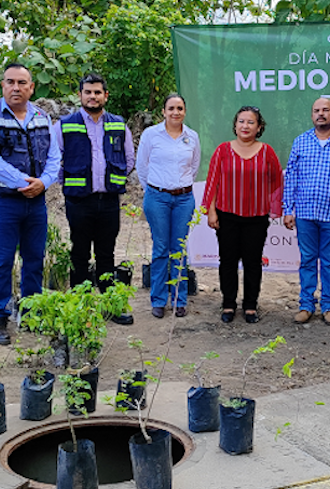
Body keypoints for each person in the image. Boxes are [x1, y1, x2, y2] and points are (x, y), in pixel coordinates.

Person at [0, 63, 61, 345]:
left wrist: (44, 183)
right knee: (2, 261)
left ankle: (31, 312)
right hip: (3, 201)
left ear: (32, 87)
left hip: (36, 203)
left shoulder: (41, 117)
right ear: (3, 85)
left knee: (34, 259)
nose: (16, 88)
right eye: (10, 82)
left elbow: (54, 157)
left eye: (22, 83)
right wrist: (25, 181)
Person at [54, 73, 136, 325]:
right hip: (79, 201)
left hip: (109, 200)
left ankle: (110, 305)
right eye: (88, 92)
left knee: (106, 253)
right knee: (79, 252)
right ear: (80, 95)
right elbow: (55, 161)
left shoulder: (118, 125)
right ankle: (81, 304)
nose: (93, 96)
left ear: (105, 96)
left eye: (97, 92)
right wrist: (70, 184)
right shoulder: (64, 125)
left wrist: (112, 181)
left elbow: (129, 160)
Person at [282, 98, 330, 327]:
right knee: (307, 260)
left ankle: (329, 306)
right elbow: (292, 178)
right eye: (316, 110)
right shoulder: (301, 142)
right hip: (305, 213)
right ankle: (306, 305)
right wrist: (288, 209)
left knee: (329, 262)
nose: (320, 114)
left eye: (325, 110)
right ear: (311, 115)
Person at [203, 106, 283, 324]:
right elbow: (212, 183)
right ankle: (228, 303)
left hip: (256, 217)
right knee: (227, 261)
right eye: (241, 121)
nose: (245, 126)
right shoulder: (222, 150)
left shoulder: (267, 152)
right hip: (226, 215)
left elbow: (277, 181)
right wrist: (211, 212)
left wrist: (270, 203)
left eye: (250, 122)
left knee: (252, 262)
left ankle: (250, 305)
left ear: (259, 127)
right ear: (235, 125)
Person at [136, 94, 200, 319]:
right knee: (161, 248)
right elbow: (141, 166)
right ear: (163, 111)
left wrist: (178, 187)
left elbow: (194, 167)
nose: (176, 112)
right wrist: (156, 190)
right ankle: (159, 299)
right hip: (157, 198)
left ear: (185, 111)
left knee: (179, 249)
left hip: (183, 199)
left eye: (180, 108)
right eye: (171, 108)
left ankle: (180, 299)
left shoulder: (191, 137)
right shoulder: (151, 135)